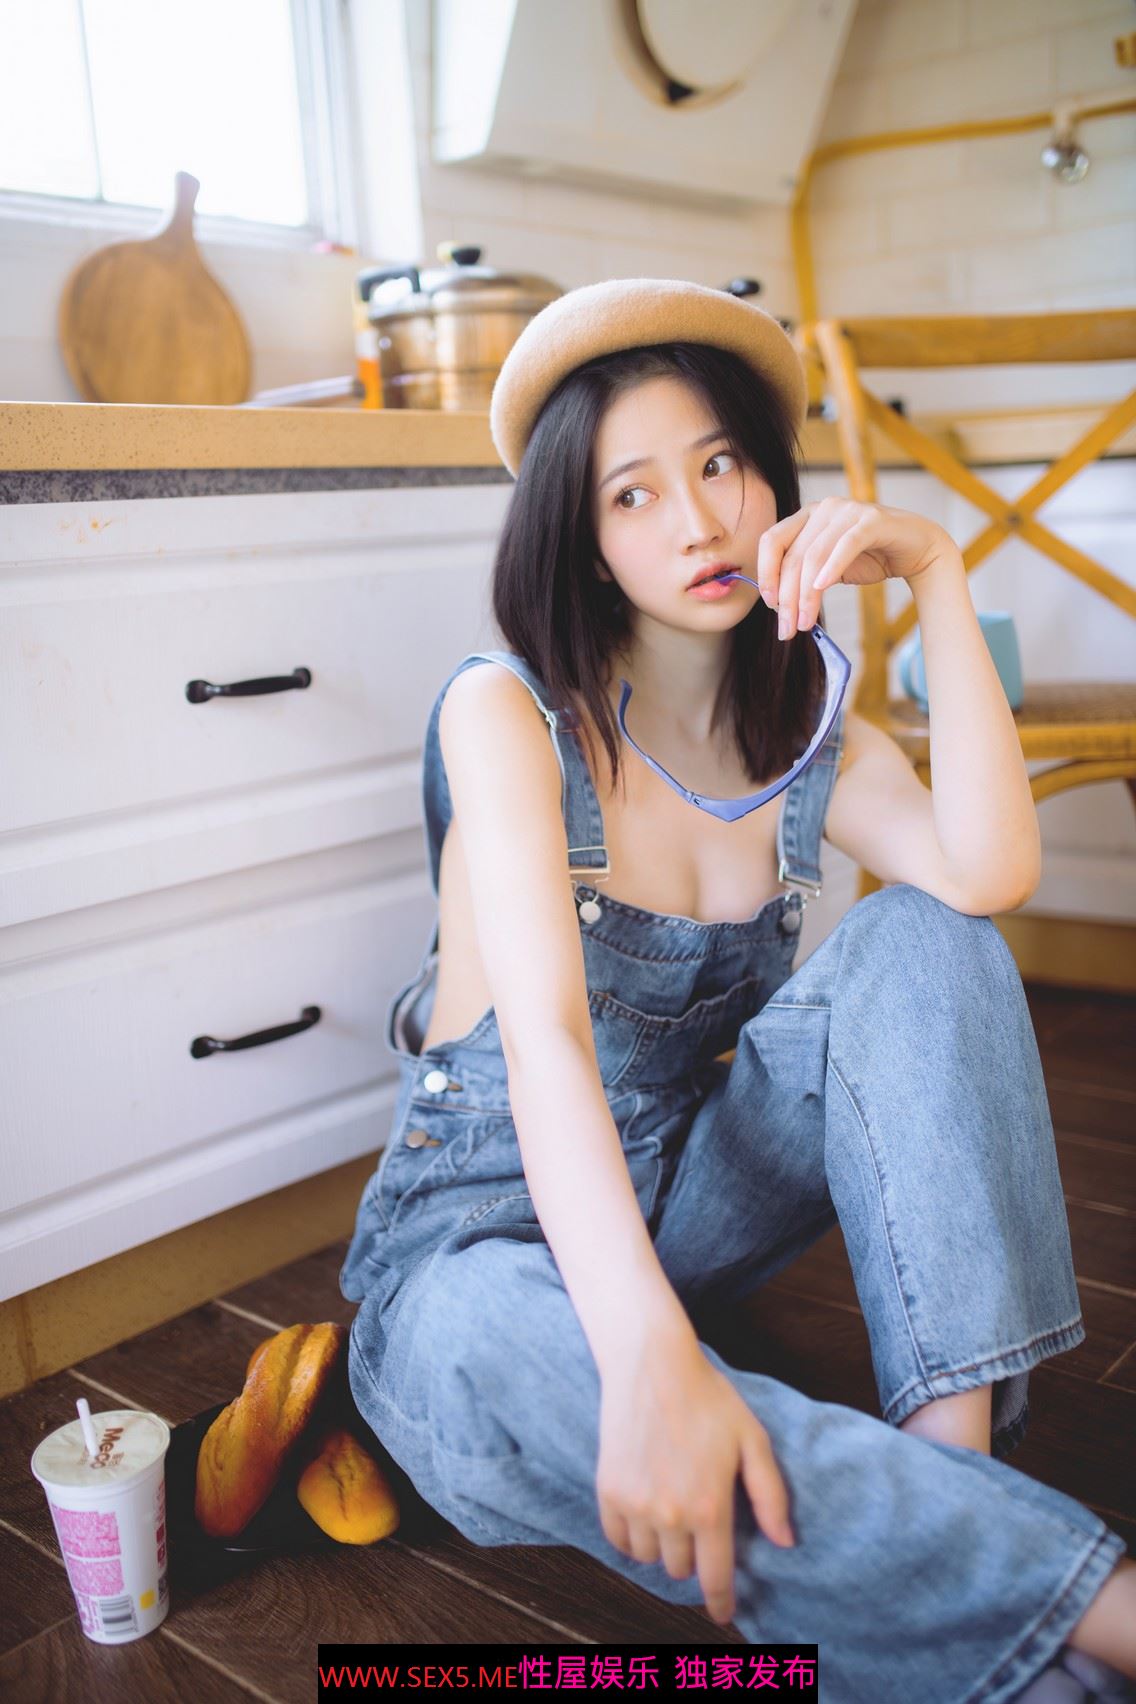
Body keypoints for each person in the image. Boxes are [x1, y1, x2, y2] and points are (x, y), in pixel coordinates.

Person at [340, 279, 1135, 1700]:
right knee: (500, 1352)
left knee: (932, 934)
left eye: (719, 465)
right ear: (584, 543)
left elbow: (990, 872)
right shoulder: (506, 714)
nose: (699, 523)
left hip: (678, 1211)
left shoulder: (808, 725)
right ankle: (1065, 1611)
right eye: (634, 494)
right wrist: (652, 1358)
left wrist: (939, 572)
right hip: (476, 1252)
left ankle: (953, 1478)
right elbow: (551, 1055)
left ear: (773, 479)